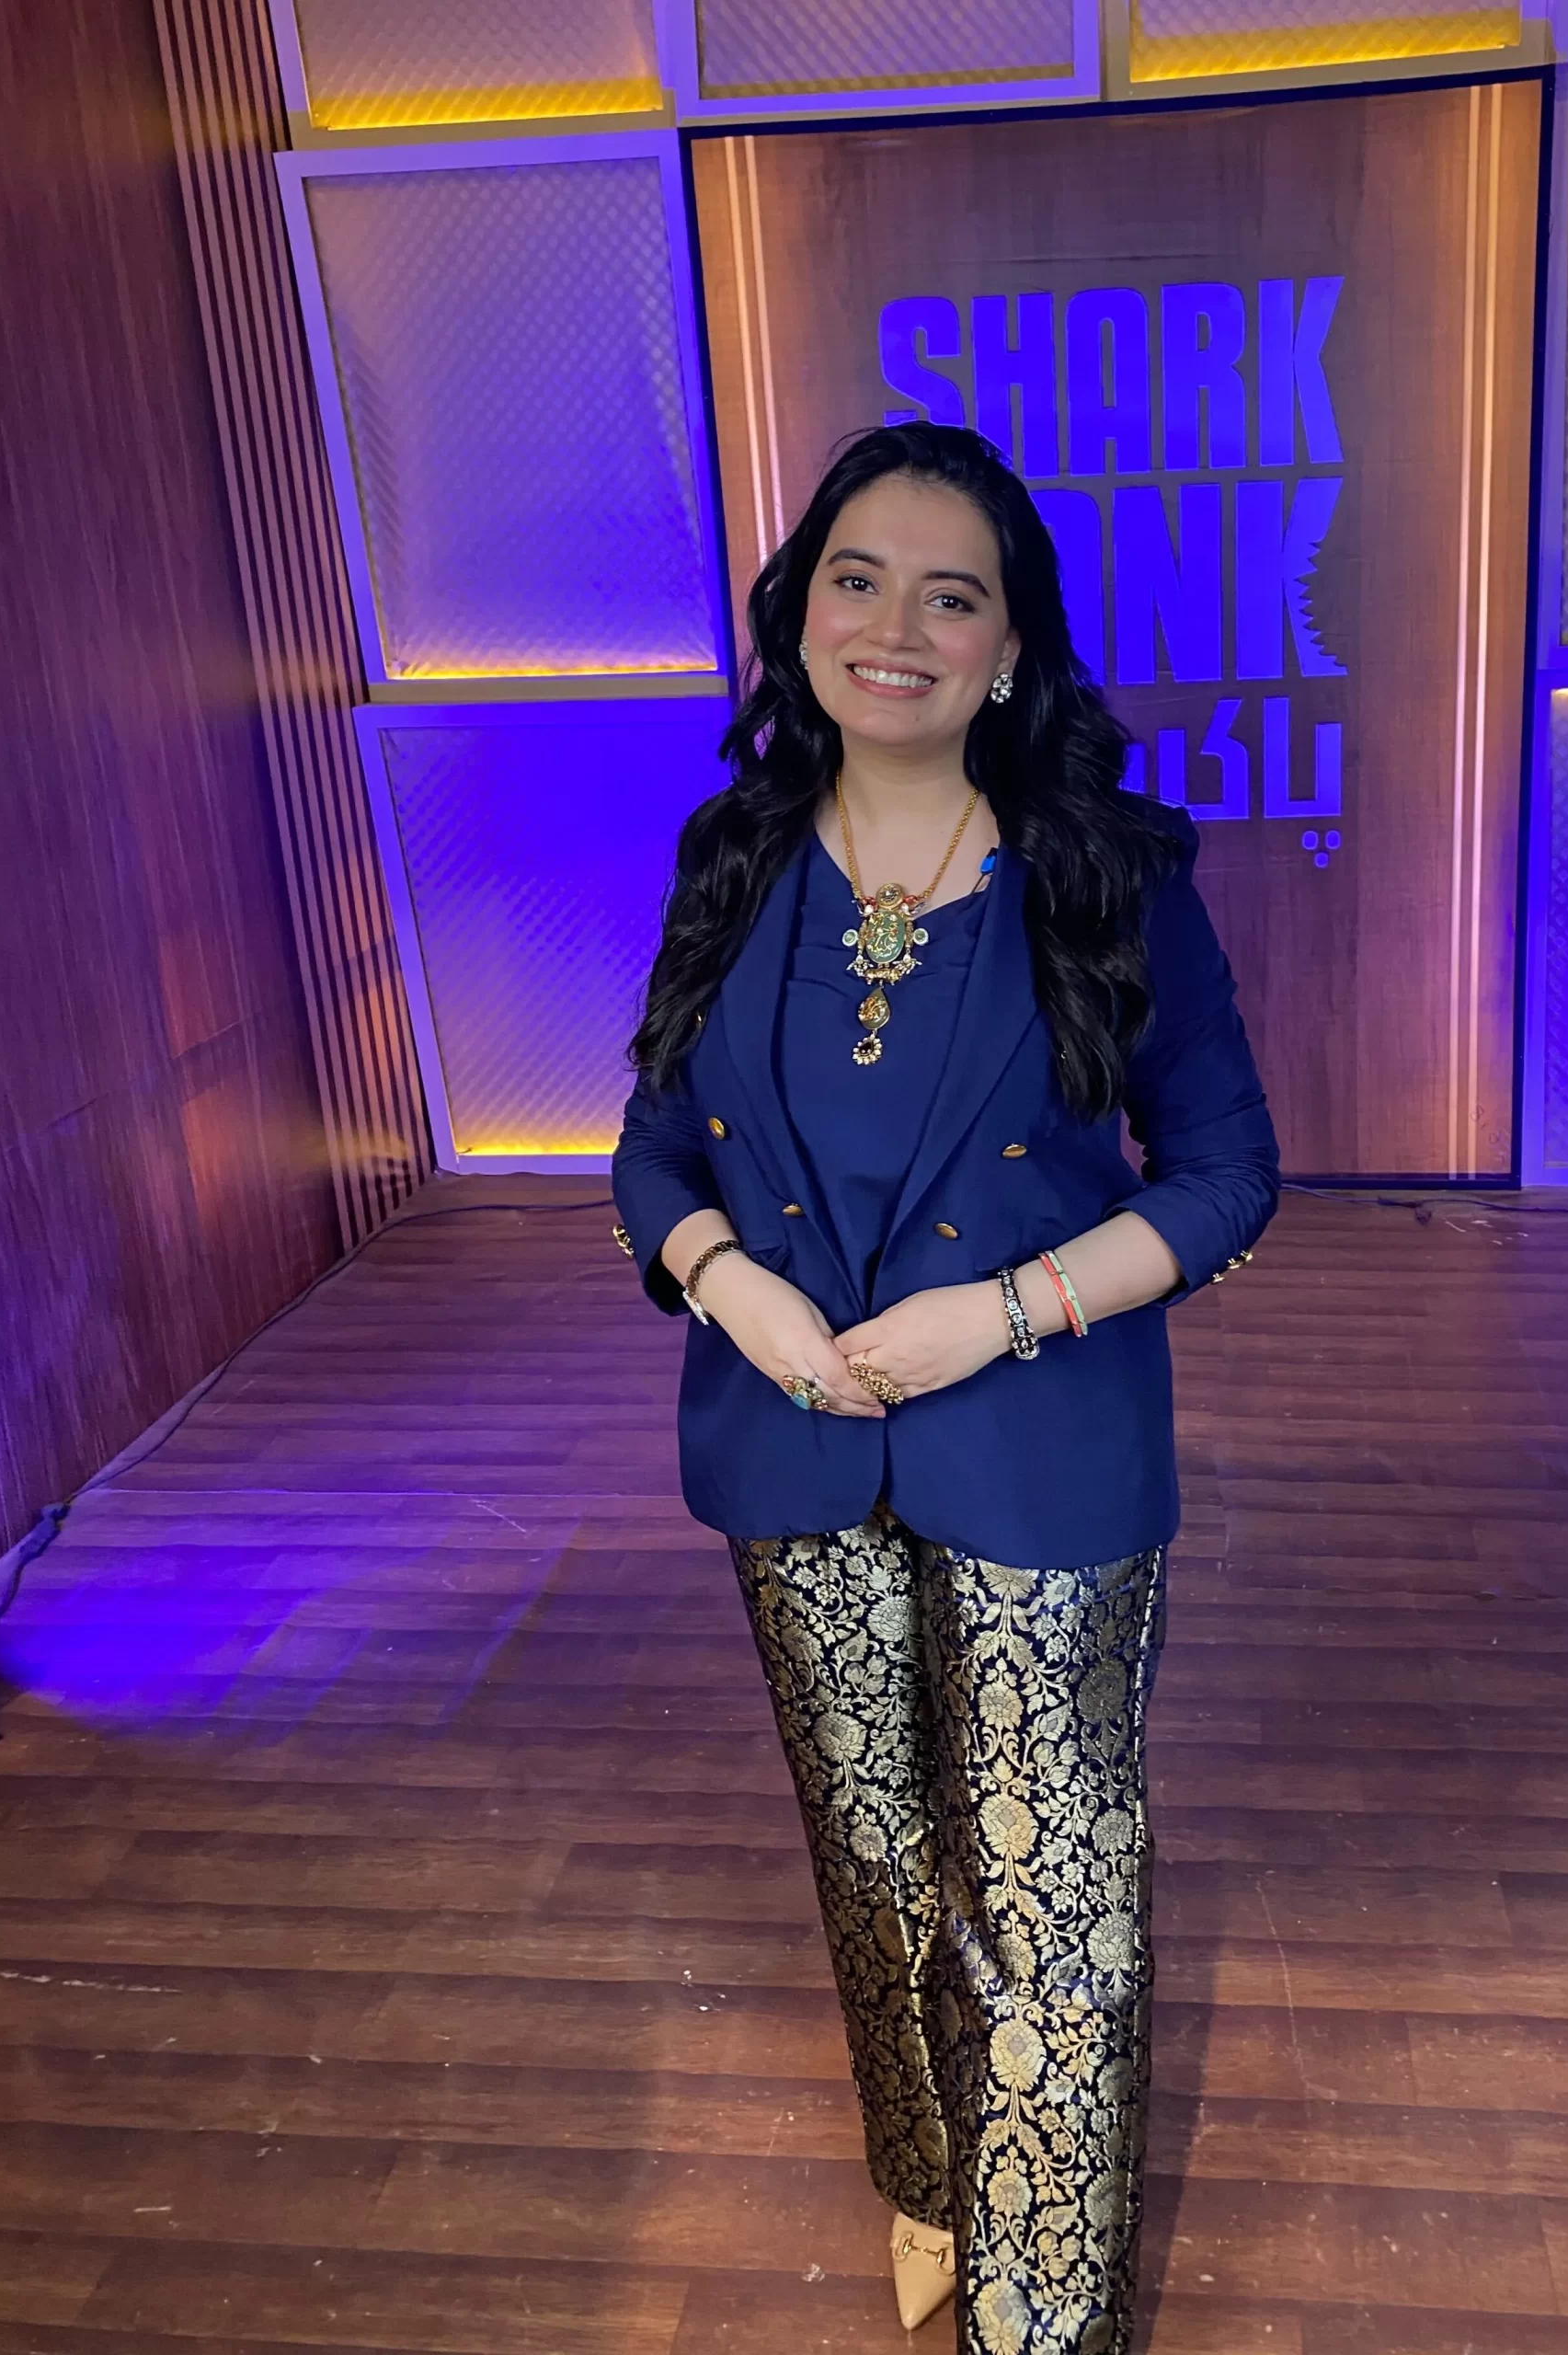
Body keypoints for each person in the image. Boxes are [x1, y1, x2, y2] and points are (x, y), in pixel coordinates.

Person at [612, 422, 1279, 2355]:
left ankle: (1043, 2308)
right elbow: (654, 1146)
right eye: (857, 578)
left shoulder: (1108, 876)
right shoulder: (732, 857)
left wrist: (1012, 1309)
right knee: (876, 1849)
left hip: (1042, 1448)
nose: (894, 625)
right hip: (787, 1443)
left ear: (1007, 650)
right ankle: (928, 2170)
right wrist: (721, 1276)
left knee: (1052, 1882)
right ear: (800, 612)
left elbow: (1226, 1174)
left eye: (950, 594)